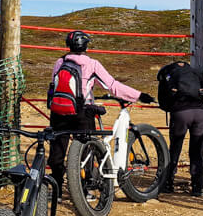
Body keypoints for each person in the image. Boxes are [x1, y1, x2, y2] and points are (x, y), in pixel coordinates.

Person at [47, 29, 154, 188]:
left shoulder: (60, 62)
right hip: (82, 112)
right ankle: (86, 187)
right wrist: (139, 95)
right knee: (87, 149)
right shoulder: (92, 64)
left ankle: (56, 187)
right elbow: (113, 87)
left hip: (58, 111)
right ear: (86, 46)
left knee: (58, 150)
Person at [156, 59, 203, 197]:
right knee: (197, 150)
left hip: (181, 113)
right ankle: (197, 187)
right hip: (201, 112)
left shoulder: (167, 73)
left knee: (175, 148)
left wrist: (169, 106)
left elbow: (162, 98)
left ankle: (168, 183)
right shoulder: (193, 72)